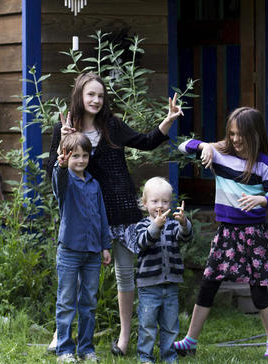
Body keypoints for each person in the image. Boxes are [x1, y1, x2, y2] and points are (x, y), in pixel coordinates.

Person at [46, 72, 184, 356]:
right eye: (91, 95)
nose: (96, 100)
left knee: (124, 275)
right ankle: (62, 334)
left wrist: (168, 120)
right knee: (77, 278)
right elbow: (53, 173)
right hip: (88, 215)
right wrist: (63, 143)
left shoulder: (112, 126)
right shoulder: (64, 128)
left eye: (100, 95)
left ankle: (123, 336)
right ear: (80, 97)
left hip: (121, 211)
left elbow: (146, 141)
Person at [173, 107, 268, 359]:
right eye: (231, 134)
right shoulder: (220, 153)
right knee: (208, 285)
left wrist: (262, 200)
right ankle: (190, 341)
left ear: (254, 135)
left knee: (259, 291)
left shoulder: (265, 164)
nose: (235, 139)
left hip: (255, 234)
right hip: (227, 232)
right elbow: (182, 146)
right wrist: (206, 147)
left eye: (241, 135)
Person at [52, 132, 112, 363]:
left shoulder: (94, 184)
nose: (80, 160)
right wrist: (60, 165)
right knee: (66, 302)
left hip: (93, 252)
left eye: (84, 155)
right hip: (69, 250)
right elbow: (58, 180)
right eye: (75, 156)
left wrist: (105, 246)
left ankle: (86, 348)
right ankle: (64, 350)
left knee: (88, 302)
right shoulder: (65, 181)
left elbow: (101, 216)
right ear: (67, 157)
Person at [121, 177, 193, 363]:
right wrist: (155, 226)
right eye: (154, 201)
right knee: (148, 324)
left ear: (171, 203)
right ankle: (145, 356)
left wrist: (184, 223)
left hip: (171, 285)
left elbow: (185, 237)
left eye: (165, 201)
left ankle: (168, 356)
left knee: (170, 325)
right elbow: (142, 242)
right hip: (149, 286)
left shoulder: (172, 224)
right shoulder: (143, 225)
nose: (160, 205)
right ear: (145, 204)